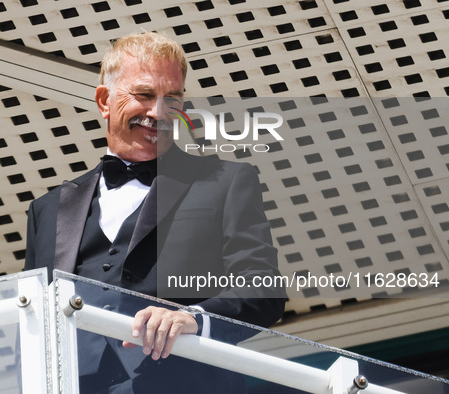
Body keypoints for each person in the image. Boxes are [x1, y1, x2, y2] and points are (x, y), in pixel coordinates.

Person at [24, 32, 285, 393]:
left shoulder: (225, 180)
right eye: (144, 95)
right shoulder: (47, 209)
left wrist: (193, 319)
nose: (158, 113)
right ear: (104, 101)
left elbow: (263, 288)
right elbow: (31, 322)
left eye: (172, 99)